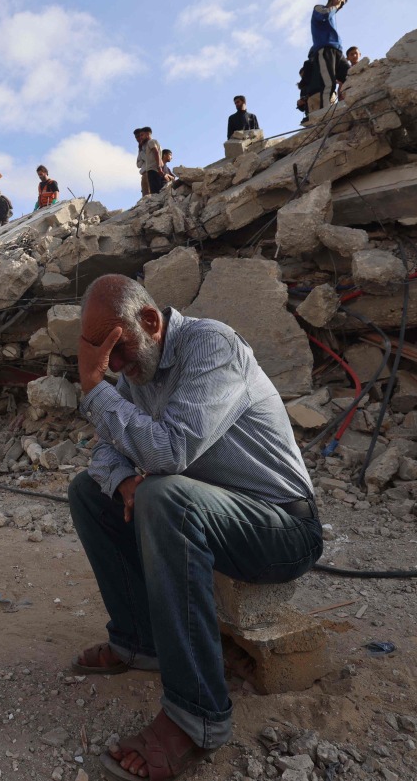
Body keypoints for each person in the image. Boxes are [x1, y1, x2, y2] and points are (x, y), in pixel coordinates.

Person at [69, 275, 321, 781]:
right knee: (87, 491)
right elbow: (104, 450)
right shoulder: (139, 374)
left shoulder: (212, 346)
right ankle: (140, 642)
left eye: (115, 349)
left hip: (282, 528)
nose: (112, 367)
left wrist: (95, 388)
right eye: (101, 357)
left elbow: (170, 452)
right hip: (215, 514)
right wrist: (121, 482)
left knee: (165, 494)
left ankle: (197, 716)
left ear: (149, 321)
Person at [309, 0, 349, 112]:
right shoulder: (319, 8)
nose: (341, 7)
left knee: (350, 76)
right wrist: (335, 6)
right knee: (328, 83)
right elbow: (324, 15)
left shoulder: (332, 15)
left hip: (337, 51)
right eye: (341, 2)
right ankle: (326, 114)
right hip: (324, 50)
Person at [136, 129, 168, 195]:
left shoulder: (151, 142)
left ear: (147, 134)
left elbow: (156, 153)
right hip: (150, 170)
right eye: (138, 136)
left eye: (142, 135)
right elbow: (138, 164)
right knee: (151, 194)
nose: (140, 138)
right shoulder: (144, 146)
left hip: (152, 169)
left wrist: (159, 167)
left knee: (154, 193)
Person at [134, 128, 151, 196]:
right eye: (137, 137)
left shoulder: (150, 144)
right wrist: (140, 150)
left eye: (141, 136)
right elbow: (138, 165)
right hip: (144, 173)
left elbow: (149, 159)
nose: (139, 138)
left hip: (149, 172)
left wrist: (141, 153)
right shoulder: (141, 147)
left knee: (149, 195)